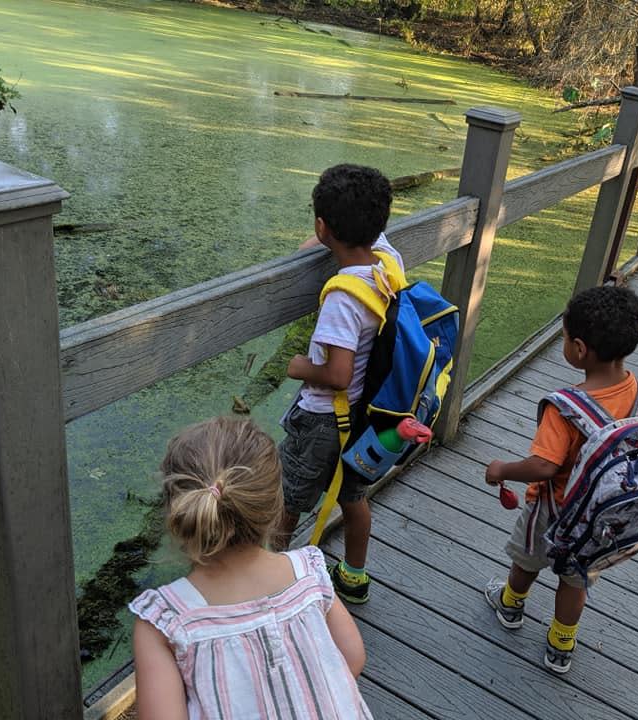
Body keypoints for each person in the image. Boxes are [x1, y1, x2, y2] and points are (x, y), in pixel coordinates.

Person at [130, 416, 372, 720]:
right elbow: (352, 658)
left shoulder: (166, 620)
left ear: (176, 513)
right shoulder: (308, 571)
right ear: (274, 505)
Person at [483, 285, 638, 674]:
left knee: (527, 559)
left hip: (554, 509)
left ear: (579, 349)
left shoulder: (566, 408)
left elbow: (544, 466)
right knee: (576, 579)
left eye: (564, 338)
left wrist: (503, 469)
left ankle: (511, 605)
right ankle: (561, 643)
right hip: (601, 519)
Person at [275, 164, 403, 605]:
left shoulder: (341, 299)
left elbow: (336, 374)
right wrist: (326, 235)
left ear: (322, 225)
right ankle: (353, 575)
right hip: (364, 415)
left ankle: (269, 580)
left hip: (323, 421)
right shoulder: (387, 264)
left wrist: (298, 366)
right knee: (353, 496)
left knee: (287, 499)